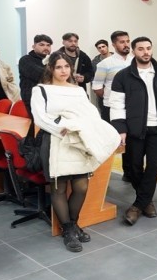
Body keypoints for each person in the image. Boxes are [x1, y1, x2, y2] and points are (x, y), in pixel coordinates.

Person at [31, 52, 119, 253]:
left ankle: (74, 222)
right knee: (59, 188)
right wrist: (63, 128)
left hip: (79, 141)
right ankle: (68, 230)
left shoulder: (78, 90)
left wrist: (83, 128)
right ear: (51, 68)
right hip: (56, 141)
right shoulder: (41, 90)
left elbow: (90, 114)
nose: (63, 71)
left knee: (81, 186)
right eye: (59, 67)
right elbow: (40, 118)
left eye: (66, 67)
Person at [109, 37, 157, 225]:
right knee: (133, 167)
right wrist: (121, 129)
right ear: (133, 51)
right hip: (134, 130)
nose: (146, 52)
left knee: (153, 167)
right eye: (141, 49)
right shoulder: (123, 76)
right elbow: (116, 104)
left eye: (148, 48)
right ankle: (146, 201)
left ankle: (138, 206)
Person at [91, 30, 133, 180]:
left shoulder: (134, 61)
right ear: (114, 45)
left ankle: (128, 172)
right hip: (111, 108)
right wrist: (111, 98)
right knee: (112, 141)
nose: (126, 44)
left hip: (131, 107)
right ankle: (104, 175)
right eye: (122, 42)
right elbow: (97, 87)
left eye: (127, 41)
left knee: (129, 141)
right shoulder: (105, 64)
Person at [18, 34, 52, 115]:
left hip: (50, 100)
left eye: (48, 45)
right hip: (32, 100)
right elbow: (41, 75)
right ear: (33, 46)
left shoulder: (51, 61)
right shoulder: (25, 60)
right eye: (41, 45)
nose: (46, 47)